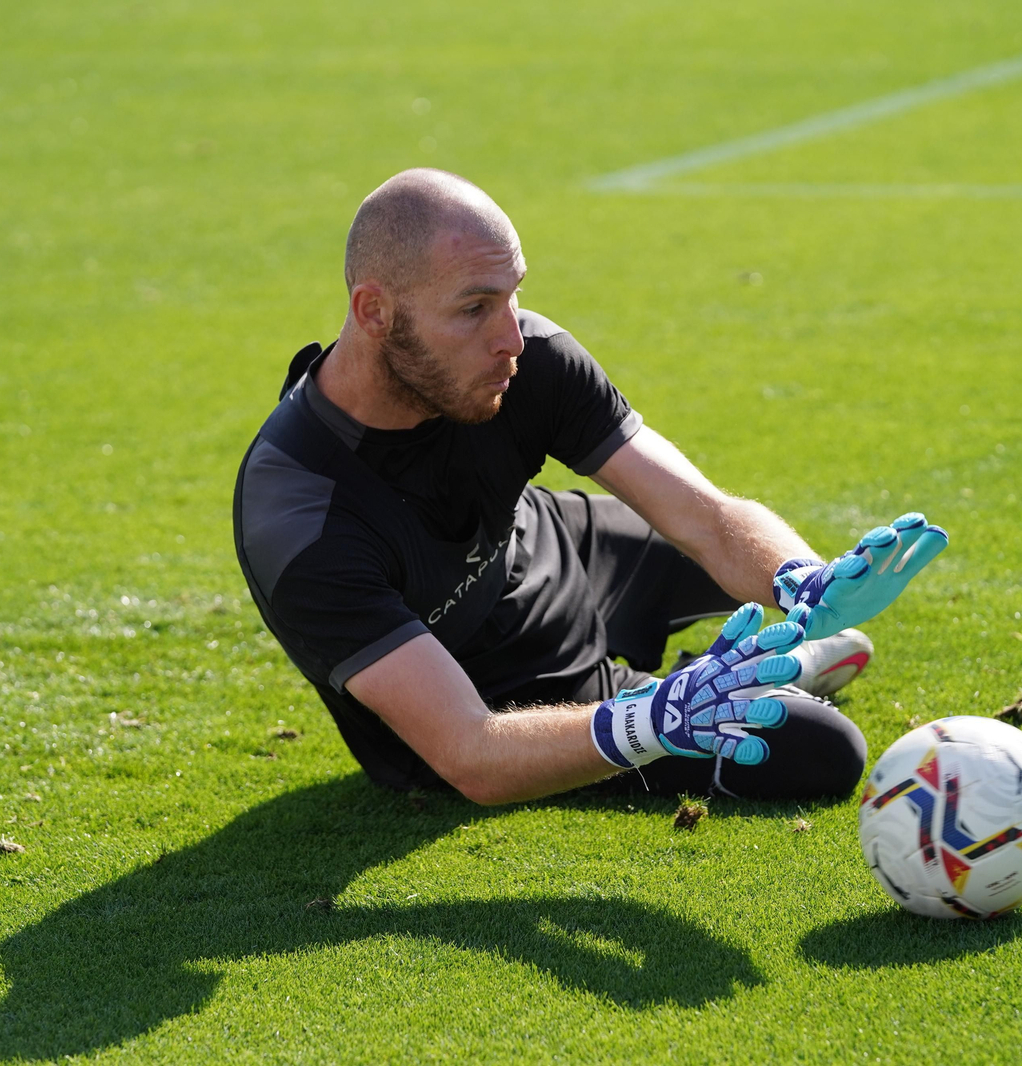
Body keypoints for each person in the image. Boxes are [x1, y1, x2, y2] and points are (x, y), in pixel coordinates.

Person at [233, 168, 948, 806]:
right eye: (474, 307)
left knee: (749, 573)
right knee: (824, 749)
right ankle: (736, 677)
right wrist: (656, 719)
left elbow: (703, 516)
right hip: (511, 693)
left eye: (513, 295)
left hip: (560, 548)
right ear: (374, 313)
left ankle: (779, 646)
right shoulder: (300, 517)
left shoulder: (523, 360)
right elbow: (471, 752)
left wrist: (799, 580)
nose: (511, 336)